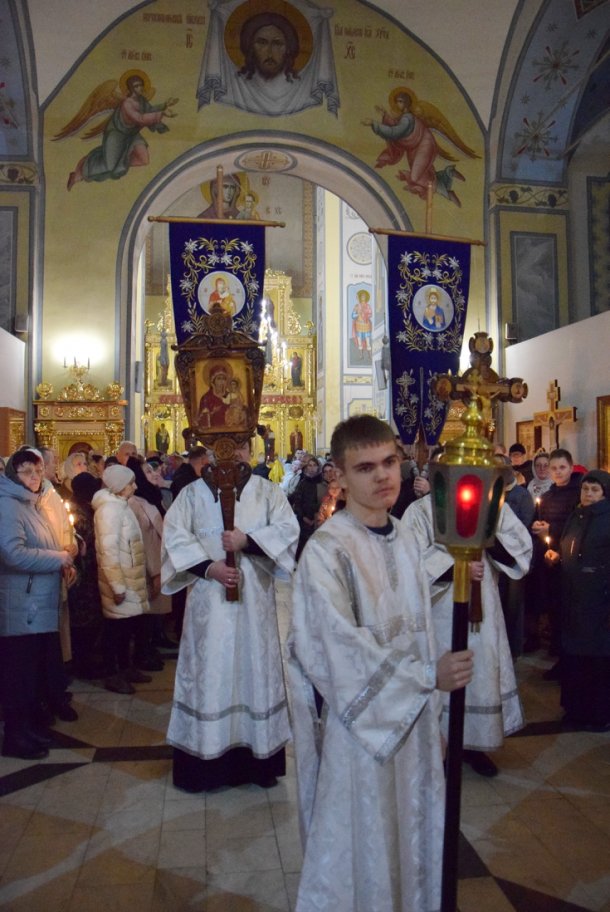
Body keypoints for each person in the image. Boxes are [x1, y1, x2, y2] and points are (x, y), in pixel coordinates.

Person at [288, 415, 473, 912]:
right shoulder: (326, 551)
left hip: (414, 722)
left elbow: (421, 631)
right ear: (340, 476)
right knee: (367, 840)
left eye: (389, 462)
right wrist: (427, 678)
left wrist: (432, 713)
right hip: (360, 733)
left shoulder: (407, 538)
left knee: (413, 834)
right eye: (365, 467)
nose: (383, 476)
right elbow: (333, 648)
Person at [161, 439, 299, 792]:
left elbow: (287, 529)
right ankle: (205, 765)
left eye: (239, 446)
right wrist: (210, 568)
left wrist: (247, 541)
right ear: (210, 452)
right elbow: (174, 537)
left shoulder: (267, 492)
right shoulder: (192, 494)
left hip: (254, 605)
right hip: (209, 606)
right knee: (210, 675)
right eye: (223, 446)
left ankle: (258, 762)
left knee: (255, 672)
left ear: (249, 451)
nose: (232, 454)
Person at [403, 492, 531, 777]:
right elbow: (409, 562)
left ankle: (475, 745)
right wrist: (458, 566)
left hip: (483, 610)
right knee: (446, 676)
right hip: (441, 612)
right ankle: (442, 746)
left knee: (479, 673)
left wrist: (487, 536)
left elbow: (520, 549)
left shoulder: (493, 506)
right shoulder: (422, 510)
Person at [0, 451, 74, 759]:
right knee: (19, 674)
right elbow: (12, 553)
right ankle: (15, 737)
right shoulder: (8, 504)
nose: (34, 476)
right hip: (21, 603)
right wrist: (58, 558)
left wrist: (64, 556)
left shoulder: (29, 502)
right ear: (12, 474)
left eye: (38, 470)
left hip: (35, 602)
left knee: (30, 673)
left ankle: (27, 729)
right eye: (26, 471)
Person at [545, 470, 610, 731]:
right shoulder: (576, 515)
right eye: (585, 489)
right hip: (573, 597)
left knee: (596, 659)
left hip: (599, 600)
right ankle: (574, 709)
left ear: (604, 493)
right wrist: (558, 557)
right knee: (574, 657)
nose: (589, 494)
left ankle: (598, 715)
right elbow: (570, 548)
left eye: (595, 490)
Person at [92, 464, 150, 694]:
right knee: (115, 631)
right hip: (120, 581)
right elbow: (108, 552)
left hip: (130, 579)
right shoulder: (109, 510)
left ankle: (126, 668)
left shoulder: (121, 505)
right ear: (118, 486)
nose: (135, 487)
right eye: (130, 483)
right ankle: (113, 674)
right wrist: (117, 586)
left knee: (126, 629)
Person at [64, 72, 178, 190]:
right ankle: (81, 170)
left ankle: (119, 158)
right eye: (136, 86)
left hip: (131, 134)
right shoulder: (127, 104)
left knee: (143, 159)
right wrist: (162, 114)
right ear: (131, 88)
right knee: (110, 167)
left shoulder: (141, 101)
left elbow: (149, 110)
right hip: (117, 135)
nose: (140, 88)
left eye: (141, 85)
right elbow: (140, 118)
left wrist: (164, 105)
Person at [531, 448, 584, 677]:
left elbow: (577, 529)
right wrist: (537, 528)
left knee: (568, 614)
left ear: (571, 468)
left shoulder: (579, 495)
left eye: (562, 467)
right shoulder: (548, 496)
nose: (558, 472)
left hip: (571, 563)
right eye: (554, 468)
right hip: (550, 560)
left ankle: (568, 662)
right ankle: (558, 653)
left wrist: (551, 530)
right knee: (554, 609)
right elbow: (540, 522)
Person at [68, 472, 105, 679]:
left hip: (89, 573)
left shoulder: (85, 508)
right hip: (82, 577)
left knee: (90, 621)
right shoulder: (77, 513)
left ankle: (86, 660)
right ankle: (82, 664)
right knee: (83, 622)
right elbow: (80, 543)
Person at [289, 455, 322, 560]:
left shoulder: (322, 483)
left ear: (318, 467)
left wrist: (317, 516)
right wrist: (303, 517)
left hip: (319, 520)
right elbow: (297, 501)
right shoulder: (303, 483)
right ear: (306, 468)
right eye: (309, 466)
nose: (312, 468)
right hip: (304, 521)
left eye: (314, 465)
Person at [198, 363, 230, 428]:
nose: (222, 382)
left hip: (230, 430)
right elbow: (202, 421)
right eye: (219, 379)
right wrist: (212, 412)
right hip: (212, 431)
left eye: (224, 379)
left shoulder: (230, 396)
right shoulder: (206, 398)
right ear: (213, 381)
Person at [351, 290, 372, 357]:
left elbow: (370, 314)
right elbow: (353, 316)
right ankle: (361, 355)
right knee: (359, 340)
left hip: (366, 325)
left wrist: (365, 315)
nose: (363, 297)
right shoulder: (357, 306)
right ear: (360, 297)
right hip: (359, 325)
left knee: (367, 340)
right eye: (362, 296)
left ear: (366, 297)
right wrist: (358, 314)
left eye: (364, 296)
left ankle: (369, 355)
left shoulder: (368, 306)